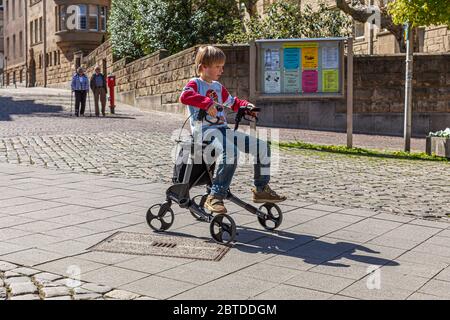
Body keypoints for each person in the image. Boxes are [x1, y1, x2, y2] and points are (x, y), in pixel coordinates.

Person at [179, 45, 286, 214]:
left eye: (222, 66)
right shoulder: (195, 84)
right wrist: (206, 104)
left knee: (262, 147)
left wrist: (245, 106)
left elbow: (232, 102)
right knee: (231, 153)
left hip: (223, 130)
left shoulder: (217, 86)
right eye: (217, 67)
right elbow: (185, 97)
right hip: (206, 132)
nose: (221, 70)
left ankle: (261, 188)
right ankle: (215, 196)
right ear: (203, 66)